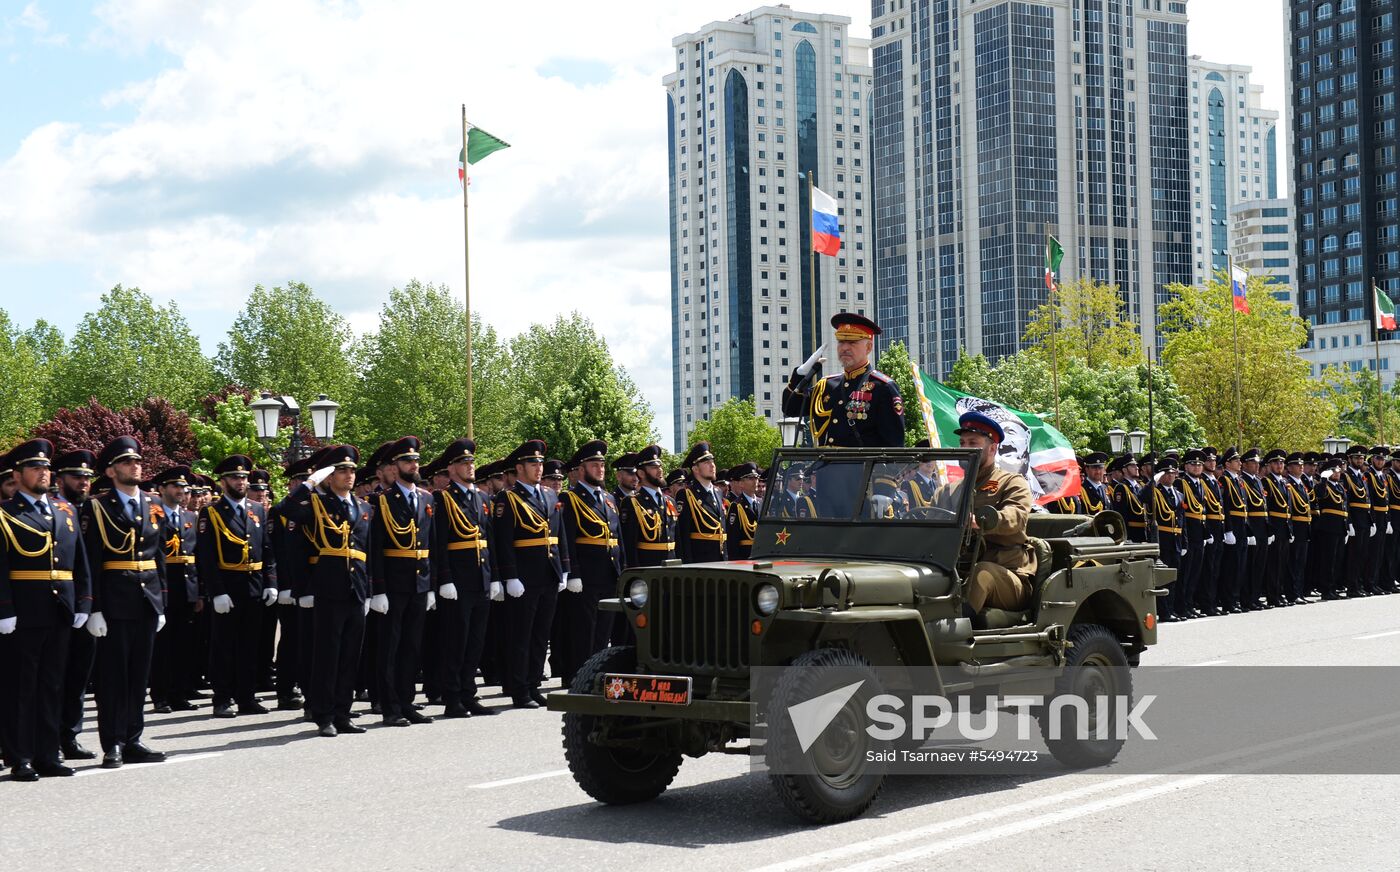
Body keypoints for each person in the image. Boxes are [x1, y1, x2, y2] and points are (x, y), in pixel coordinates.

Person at [0, 439, 91, 780]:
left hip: (60, 609)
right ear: (18, 474)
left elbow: (80, 563)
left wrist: (84, 601)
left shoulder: (65, 511)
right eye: (35, 468)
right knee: (21, 686)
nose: (43, 473)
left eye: (46, 468)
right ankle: (19, 755)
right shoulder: (7, 513)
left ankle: (47, 753)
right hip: (24, 610)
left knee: (52, 684)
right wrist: (4, 608)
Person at [82, 436, 168, 769]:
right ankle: (113, 743)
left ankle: (133, 737)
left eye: (138, 461)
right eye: (127, 462)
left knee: (138, 675)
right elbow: (90, 560)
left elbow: (159, 557)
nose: (136, 466)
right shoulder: (97, 506)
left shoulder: (154, 503)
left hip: (146, 601)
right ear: (111, 470)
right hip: (115, 603)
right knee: (113, 677)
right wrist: (94, 607)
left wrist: (161, 603)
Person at [277, 445, 372, 737]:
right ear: (329, 477)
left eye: (352, 470)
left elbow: (370, 551)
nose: (349, 475)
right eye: (341, 470)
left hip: (356, 588)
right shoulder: (317, 504)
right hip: (328, 588)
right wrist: (308, 484)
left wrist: (371, 590)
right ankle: (324, 714)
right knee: (327, 656)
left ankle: (343, 712)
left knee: (349, 656)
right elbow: (284, 509)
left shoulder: (365, 508)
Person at [197, 453, 278, 719]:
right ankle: (222, 698)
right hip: (228, 587)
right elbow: (206, 557)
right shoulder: (211, 513)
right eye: (235, 477)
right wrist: (216, 591)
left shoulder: (256, 511)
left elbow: (267, 550)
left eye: (244, 477)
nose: (240, 482)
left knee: (249, 646)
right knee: (223, 647)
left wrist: (271, 582)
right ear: (223, 482)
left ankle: (247, 697)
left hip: (253, 586)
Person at [492, 439, 566, 709]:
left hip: (548, 572)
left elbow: (559, 535)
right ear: (519, 467)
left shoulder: (549, 495)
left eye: (540, 463)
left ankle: (533, 683)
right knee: (520, 635)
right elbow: (503, 540)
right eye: (533, 463)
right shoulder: (508, 498)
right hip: (524, 576)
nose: (538, 467)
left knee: (540, 634)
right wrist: (509, 575)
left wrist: (564, 568)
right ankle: (519, 688)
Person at [367, 436, 434, 727]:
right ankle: (390, 706)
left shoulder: (427, 498)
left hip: (419, 582)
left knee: (413, 646)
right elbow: (375, 549)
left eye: (416, 460)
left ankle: (407, 702)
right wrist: (378, 588)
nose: (413, 465)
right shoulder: (381, 501)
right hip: (393, 583)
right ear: (394, 467)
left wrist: (432, 584)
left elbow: (432, 543)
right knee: (390, 648)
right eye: (407, 461)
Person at [430, 438, 497, 718]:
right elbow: (439, 542)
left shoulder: (482, 500)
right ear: (451, 468)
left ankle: (469, 694)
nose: (470, 467)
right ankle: (452, 697)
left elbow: (489, 539)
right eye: (463, 463)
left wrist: (496, 577)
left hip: (480, 578)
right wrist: (444, 578)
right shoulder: (442, 499)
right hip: (458, 581)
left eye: (471, 462)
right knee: (455, 642)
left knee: (475, 642)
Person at [946, 412, 1036, 618]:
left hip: (1008, 574)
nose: (965, 449)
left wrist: (980, 522)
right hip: (958, 568)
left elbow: (1017, 516)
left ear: (992, 448)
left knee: (982, 573)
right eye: (962, 443)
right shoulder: (949, 490)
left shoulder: (1011, 482)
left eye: (972, 443)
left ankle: (956, 629)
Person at [781, 312, 905, 448]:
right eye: (841, 342)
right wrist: (800, 374)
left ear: (868, 347)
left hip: (863, 468)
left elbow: (894, 444)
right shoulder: (826, 385)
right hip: (824, 467)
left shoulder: (882, 387)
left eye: (852, 342)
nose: (845, 348)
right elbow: (790, 408)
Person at [558, 440, 623, 686]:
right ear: (581, 468)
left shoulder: (608, 499)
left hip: (609, 573)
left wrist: (622, 571)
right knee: (583, 631)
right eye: (594, 464)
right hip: (586, 575)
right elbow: (568, 539)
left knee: (603, 631)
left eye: (602, 464)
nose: (600, 468)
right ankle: (577, 677)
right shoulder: (571, 498)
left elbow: (618, 540)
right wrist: (573, 573)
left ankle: (596, 675)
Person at [51, 448, 99, 761]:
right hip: (57, 602)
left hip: (87, 602)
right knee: (54, 675)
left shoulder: (95, 510)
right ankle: (47, 737)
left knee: (79, 673)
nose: (83, 482)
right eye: (76, 476)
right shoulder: (56, 509)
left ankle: (70, 735)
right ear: (60, 479)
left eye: (86, 477)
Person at [148, 465, 200, 714]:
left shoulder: (191, 517)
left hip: (187, 588)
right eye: (175, 486)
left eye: (184, 487)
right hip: (164, 586)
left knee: (184, 645)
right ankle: (161, 695)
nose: (181, 491)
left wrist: (201, 592)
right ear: (162, 489)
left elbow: (197, 555)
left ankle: (180, 693)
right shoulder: (153, 515)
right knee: (163, 646)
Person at [619, 445, 676, 569]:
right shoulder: (632, 502)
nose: (660, 470)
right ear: (641, 473)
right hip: (648, 569)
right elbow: (629, 545)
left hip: (672, 568)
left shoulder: (670, 502)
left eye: (660, 466)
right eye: (653, 467)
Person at [675, 442, 728, 563]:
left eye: (712, 461)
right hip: (701, 562)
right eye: (706, 463)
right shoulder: (686, 494)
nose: (712, 466)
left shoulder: (718, 492)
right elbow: (684, 535)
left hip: (721, 560)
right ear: (695, 469)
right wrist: (688, 565)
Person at [726, 463, 762, 560]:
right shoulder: (736, 506)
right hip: (744, 556)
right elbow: (732, 539)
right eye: (750, 479)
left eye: (756, 478)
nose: (755, 481)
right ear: (741, 483)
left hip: (760, 555)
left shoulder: (761, 503)